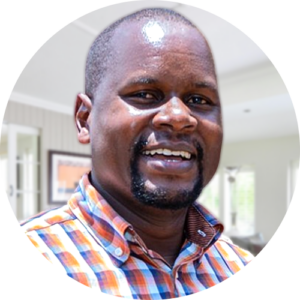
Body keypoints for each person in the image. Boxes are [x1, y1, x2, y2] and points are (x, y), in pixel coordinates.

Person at [20, 8, 293, 298]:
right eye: (145, 94)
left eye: (199, 100)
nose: (179, 116)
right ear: (85, 119)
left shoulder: (249, 275)